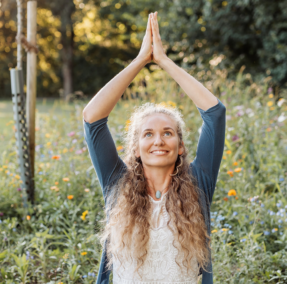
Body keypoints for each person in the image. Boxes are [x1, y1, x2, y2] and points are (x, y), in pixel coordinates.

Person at [83, 11, 226, 284]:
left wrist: (163, 61)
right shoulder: (117, 183)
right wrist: (139, 61)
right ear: (136, 148)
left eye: (167, 133)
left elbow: (215, 113)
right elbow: (92, 119)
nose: (158, 141)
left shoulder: (199, 183)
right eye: (148, 134)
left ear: (181, 146)